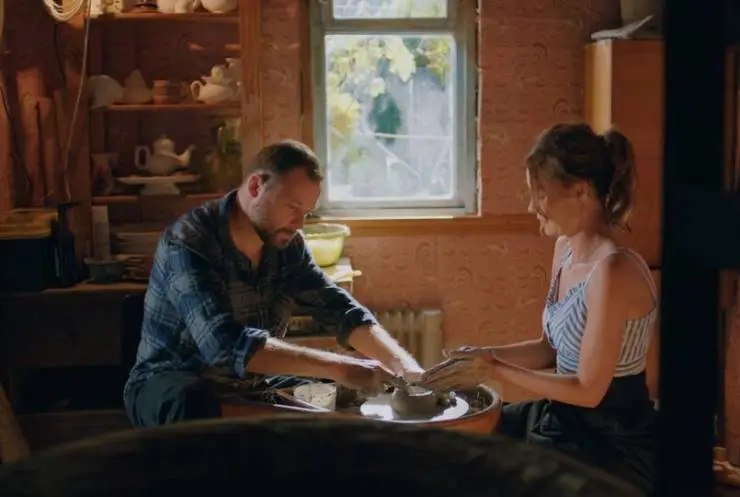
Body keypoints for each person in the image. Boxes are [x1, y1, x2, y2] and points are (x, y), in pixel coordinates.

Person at [421, 123, 657, 494]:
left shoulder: (614, 270)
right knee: (465, 439)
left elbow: (588, 390)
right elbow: (549, 348)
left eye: (541, 194)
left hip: (610, 441)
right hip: (563, 416)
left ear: (580, 191)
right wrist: (482, 355)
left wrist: (493, 369)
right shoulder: (565, 249)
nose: (532, 206)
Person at [124, 139, 424, 428]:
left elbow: (339, 309)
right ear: (256, 186)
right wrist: (343, 367)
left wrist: (406, 368)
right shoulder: (189, 241)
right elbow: (224, 346)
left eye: (306, 212)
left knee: (344, 392)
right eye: (293, 207)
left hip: (249, 386)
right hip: (169, 384)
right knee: (192, 400)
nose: (299, 223)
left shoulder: (288, 244)